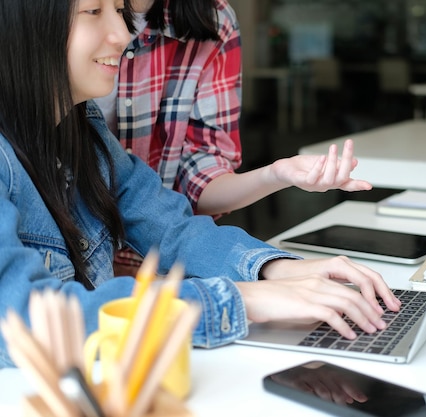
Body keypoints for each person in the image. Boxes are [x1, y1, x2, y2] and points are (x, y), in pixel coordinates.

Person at [0, 0, 400, 368]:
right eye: (92, 11)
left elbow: (171, 227)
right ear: (25, 19)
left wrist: (273, 269)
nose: (123, 34)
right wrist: (241, 299)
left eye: (119, 10)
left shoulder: (83, 129)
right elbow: (27, 319)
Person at [95, 0, 372, 274]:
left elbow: (164, 213)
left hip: (154, 260)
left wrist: (275, 175)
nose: (120, 37)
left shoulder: (211, 17)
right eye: (93, 12)